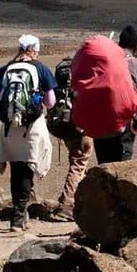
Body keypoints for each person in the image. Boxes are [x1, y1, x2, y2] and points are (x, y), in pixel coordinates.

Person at [0, 34, 56, 232]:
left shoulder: (6, 68)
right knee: (27, 170)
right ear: (34, 49)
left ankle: (19, 214)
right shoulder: (41, 68)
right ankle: (18, 219)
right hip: (32, 126)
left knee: (16, 170)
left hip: (10, 127)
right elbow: (50, 102)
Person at [71, 34, 137, 165]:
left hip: (98, 130)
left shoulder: (87, 69)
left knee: (104, 166)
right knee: (121, 169)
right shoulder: (121, 62)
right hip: (120, 128)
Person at [51, 57, 93, 222]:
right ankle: (67, 206)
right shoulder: (83, 79)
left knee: (77, 163)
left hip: (63, 126)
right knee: (78, 165)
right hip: (80, 128)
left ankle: (77, 202)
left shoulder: (61, 81)